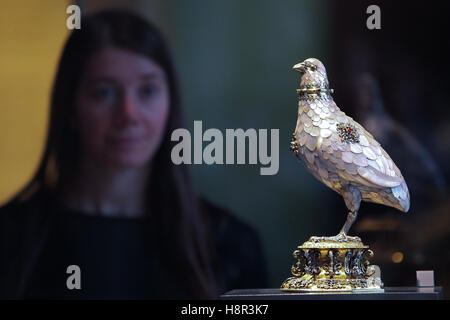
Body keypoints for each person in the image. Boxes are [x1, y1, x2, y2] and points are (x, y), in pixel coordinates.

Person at [0, 9, 267, 299]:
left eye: (148, 91)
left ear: (170, 103)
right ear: (71, 109)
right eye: (104, 93)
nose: (128, 115)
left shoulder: (228, 244)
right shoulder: (11, 238)